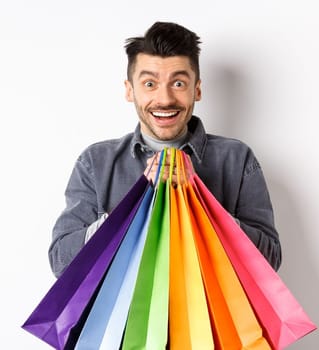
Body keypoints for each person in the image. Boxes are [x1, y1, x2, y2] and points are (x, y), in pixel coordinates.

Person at [48, 21, 281, 277]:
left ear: (197, 89)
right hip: (122, 318)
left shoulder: (237, 159)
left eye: (178, 83)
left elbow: (270, 261)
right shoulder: (96, 162)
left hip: (214, 318)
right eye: (150, 84)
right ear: (130, 90)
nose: (165, 99)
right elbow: (61, 261)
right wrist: (131, 210)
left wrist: (203, 205)